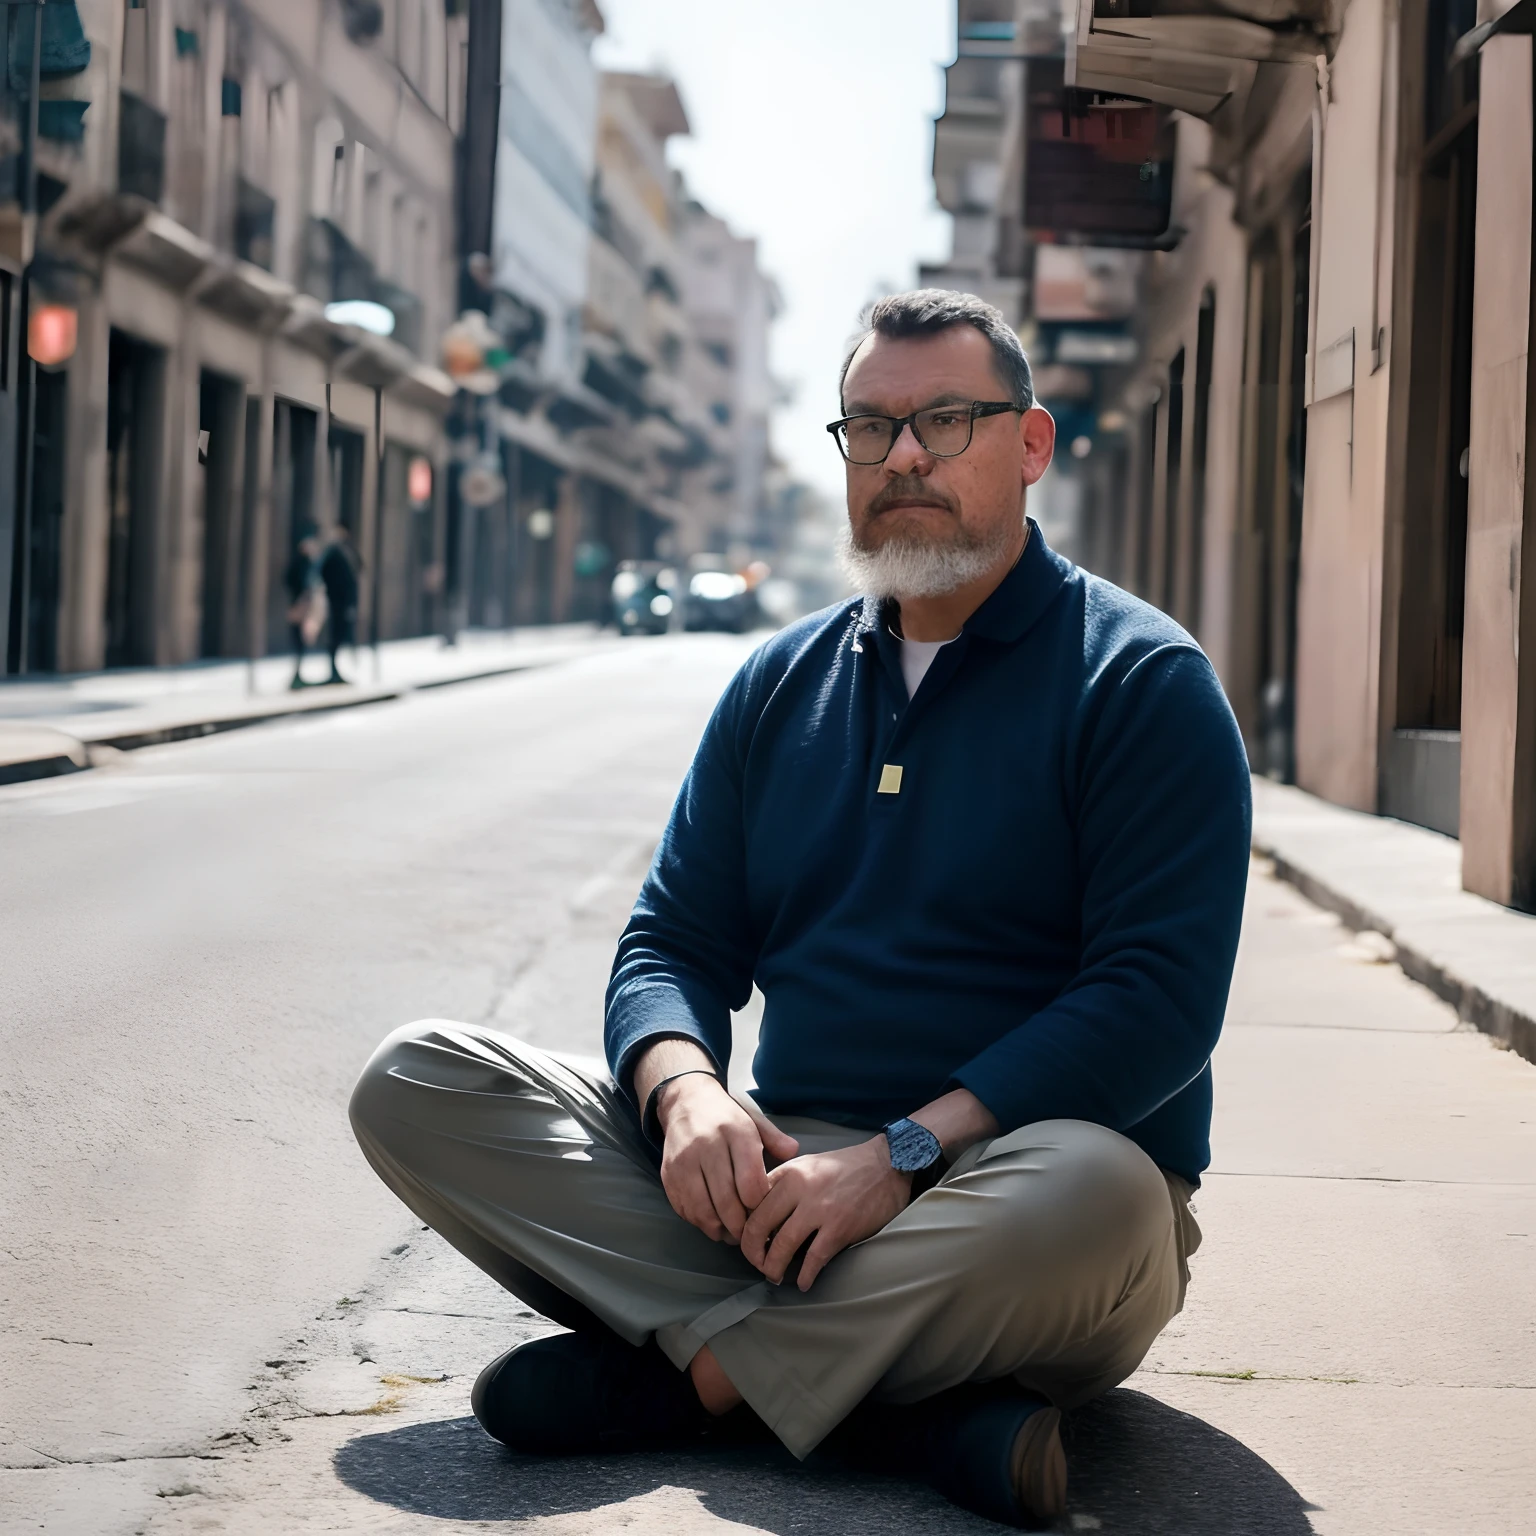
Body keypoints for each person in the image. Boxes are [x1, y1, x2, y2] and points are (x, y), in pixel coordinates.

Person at [349, 290, 1252, 1528]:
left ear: (1030, 445)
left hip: (1009, 1186)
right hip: (778, 1186)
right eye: (871, 428)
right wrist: (687, 1095)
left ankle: (697, 1379)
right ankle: (907, 1407)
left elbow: (1158, 1003)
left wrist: (902, 1158)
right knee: (417, 1080)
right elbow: (671, 942)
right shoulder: (778, 684)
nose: (906, 456)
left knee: (1102, 1191)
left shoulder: (1140, 682)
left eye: (947, 419)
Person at [283, 528, 324, 690]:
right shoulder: (301, 562)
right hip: (299, 606)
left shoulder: (310, 562)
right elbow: (291, 580)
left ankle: (298, 674)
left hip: (306, 607)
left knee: (303, 640)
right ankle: (296, 675)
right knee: (299, 640)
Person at [320, 526, 361, 685]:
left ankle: (335, 671)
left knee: (341, 635)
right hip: (337, 601)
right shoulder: (333, 553)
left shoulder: (348, 552)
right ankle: (333, 671)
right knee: (336, 635)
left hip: (345, 602)